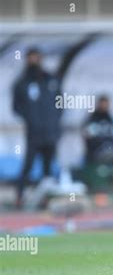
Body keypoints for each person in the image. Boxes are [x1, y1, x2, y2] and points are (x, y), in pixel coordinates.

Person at [12, 48, 62, 209]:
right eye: (30, 58)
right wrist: (30, 118)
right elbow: (16, 107)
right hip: (33, 133)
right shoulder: (22, 83)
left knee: (48, 168)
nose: (34, 61)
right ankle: (20, 197)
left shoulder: (50, 80)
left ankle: (46, 199)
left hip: (50, 132)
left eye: (36, 58)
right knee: (28, 166)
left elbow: (59, 103)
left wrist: (54, 120)